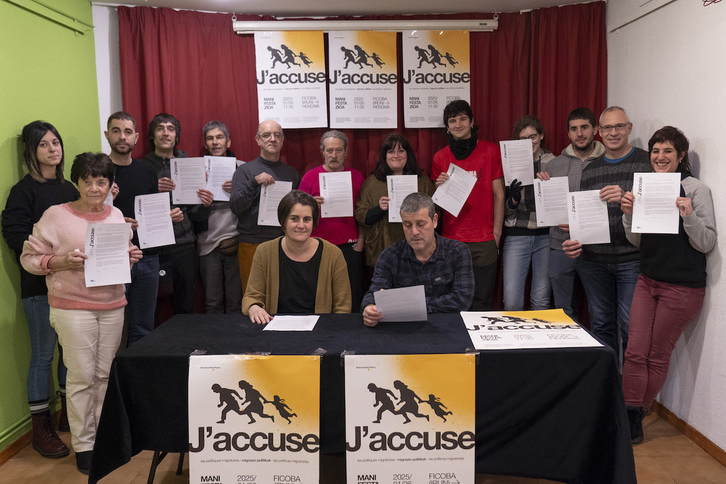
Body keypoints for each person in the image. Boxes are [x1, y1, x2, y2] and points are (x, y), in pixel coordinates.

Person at [20, 152, 142, 474]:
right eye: (87, 181)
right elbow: (29, 257)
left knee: (103, 375)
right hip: (73, 307)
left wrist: (129, 256)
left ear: (110, 184)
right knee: (81, 377)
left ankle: (103, 437)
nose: (93, 188)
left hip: (113, 305)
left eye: (101, 181)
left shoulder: (116, 216)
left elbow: (119, 252)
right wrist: (59, 262)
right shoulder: (56, 216)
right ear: (76, 182)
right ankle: (84, 444)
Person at [620, 126, 716, 444]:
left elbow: (706, 243)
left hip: (682, 288)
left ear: (681, 156)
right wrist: (628, 215)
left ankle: (635, 418)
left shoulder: (696, 189)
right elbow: (636, 240)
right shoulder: (645, 186)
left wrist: (688, 215)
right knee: (634, 352)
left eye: (668, 151)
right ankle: (627, 414)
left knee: (656, 355)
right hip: (648, 280)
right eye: (656, 151)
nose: (661, 157)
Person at [1, 121, 78, 459]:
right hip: (38, 286)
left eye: (56, 142)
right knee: (43, 355)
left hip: (73, 285)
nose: (53, 149)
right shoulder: (23, 191)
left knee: (67, 352)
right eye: (44, 144)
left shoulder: (70, 188)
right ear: (31, 151)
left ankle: (65, 415)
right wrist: (50, 256)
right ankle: (40, 427)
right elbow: (15, 236)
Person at [562, 106, 650, 353]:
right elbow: (586, 215)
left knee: (630, 326)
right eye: (608, 127)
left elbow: (656, 210)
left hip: (631, 259)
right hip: (593, 261)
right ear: (599, 132)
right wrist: (574, 234)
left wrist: (627, 199)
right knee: (601, 325)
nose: (614, 132)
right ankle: (609, 384)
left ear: (629, 128)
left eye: (619, 126)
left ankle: (629, 389)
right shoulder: (590, 170)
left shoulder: (645, 162)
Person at [105, 112, 181, 345]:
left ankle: (135, 380)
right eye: (116, 131)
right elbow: (87, 214)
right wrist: (117, 220)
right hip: (113, 258)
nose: (122, 137)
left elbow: (150, 212)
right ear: (107, 135)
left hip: (147, 258)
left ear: (137, 137)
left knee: (143, 328)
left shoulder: (147, 171)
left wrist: (167, 217)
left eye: (128, 132)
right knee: (111, 330)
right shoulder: (99, 171)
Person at [431, 100, 505, 310]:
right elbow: (436, 205)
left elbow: (499, 194)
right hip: (451, 240)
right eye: (452, 121)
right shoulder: (440, 157)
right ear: (447, 127)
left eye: (463, 118)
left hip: (484, 240)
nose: (458, 124)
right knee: (453, 302)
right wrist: (439, 187)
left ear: (472, 122)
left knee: (481, 302)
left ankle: (479, 345)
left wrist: (496, 234)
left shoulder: (491, 151)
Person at [361, 193, 474, 327]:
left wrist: (406, 305)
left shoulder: (457, 252)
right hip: (403, 332)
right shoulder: (390, 256)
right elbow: (374, 294)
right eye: (407, 225)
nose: (414, 232)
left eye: (420, 224)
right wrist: (369, 308)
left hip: (448, 328)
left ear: (434, 220)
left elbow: (462, 300)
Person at [242, 190, 351, 324]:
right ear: (283, 221)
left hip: (320, 332)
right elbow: (251, 296)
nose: (301, 225)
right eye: (294, 219)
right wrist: (253, 307)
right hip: (275, 329)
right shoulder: (264, 252)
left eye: (307, 219)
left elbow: (343, 307)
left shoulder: (333, 254)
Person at [538, 108, 605, 319]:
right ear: (568, 134)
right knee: (562, 312)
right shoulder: (554, 164)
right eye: (574, 129)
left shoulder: (607, 161)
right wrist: (543, 189)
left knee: (600, 311)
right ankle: (568, 352)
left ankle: (597, 353)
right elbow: (547, 206)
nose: (580, 133)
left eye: (584, 127)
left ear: (595, 129)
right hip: (560, 245)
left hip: (597, 249)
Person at [144, 113, 212, 315]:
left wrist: (206, 205)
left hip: (185, 246)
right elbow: (135, 210)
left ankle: (187, 346)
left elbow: (197, 215)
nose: (165, 133)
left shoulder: (189, 164)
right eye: (160, 128)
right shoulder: (142, 167)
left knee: (186, 306)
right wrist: (152, 187)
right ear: (152, 135)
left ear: (177, 136)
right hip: (155, 249)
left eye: (170, 128)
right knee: (152, 308)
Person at [231, 120, 300, 294]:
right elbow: (236, 207)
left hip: (284, 243)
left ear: (283, 140)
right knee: (254, 297)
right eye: (266, 135)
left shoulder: (292, 173)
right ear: (258, 140)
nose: (272, 139)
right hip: (252, 244)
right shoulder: (245, 171)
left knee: (283, 295)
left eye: (277, 135)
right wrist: (254, 183)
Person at [299, 130, 365, 311]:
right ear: (322, 151)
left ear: (346, 151)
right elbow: (296, 213)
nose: (333, 155)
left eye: (338, 150)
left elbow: (363, 213)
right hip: (317, 246)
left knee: (350, 295)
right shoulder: (310, 177)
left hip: (349, 246)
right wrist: (311, 205)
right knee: (320, 295)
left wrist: (361, 241)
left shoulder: (357, 176)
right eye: (329, 151)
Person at [355, 133, 434, 272]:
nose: (396, 155)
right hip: (382, 248)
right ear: (384, 156)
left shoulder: (422, 181)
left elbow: (435, 212)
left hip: (417, 248)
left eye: (401, 151)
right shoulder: (372, 182)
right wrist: (379, 209)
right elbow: (361, 215)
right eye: (390, 151)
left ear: (407, 154)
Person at [502, 116, 555, 311]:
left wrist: (549, 189)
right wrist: (513, 199)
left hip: (545, 236)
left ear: (541, 136)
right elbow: (502, 210)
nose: (528, 142)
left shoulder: (554, 162)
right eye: (522, 139)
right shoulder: (509, 164)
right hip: (516, 234)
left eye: (532, 136)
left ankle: (538, 342)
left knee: (541, 300)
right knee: (512, 301)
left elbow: (559, 206)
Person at [196, 120, 242, 313]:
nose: (215, 142)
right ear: (206, 144)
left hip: (235, 242)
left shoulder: (243, 169)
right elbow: (192, 214)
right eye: (210, 138)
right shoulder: (197, 170)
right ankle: (212, 344)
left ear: (228, 142)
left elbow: (251, 208)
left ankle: (236, 343)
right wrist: (204, 205)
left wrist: (238, 191)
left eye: (219, 137)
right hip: (208, 244)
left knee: (236, 302)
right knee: (212, 302)